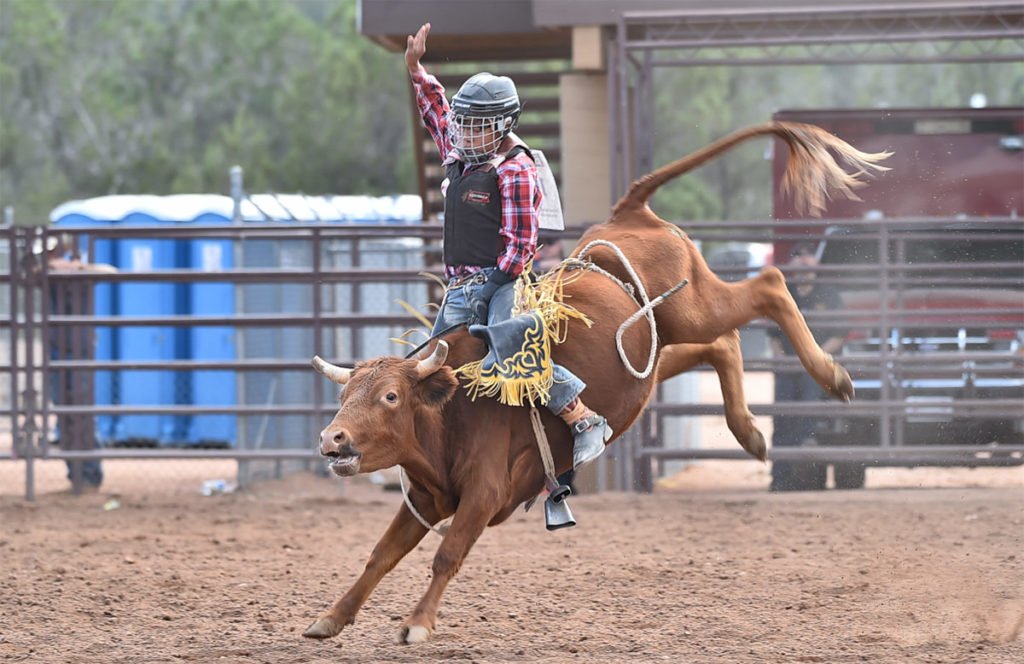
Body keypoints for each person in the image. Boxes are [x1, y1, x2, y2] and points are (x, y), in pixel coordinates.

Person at [405, 23, 610, 471]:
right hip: (460, 284)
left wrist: (489, 286)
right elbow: (438, 114)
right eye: (465, 124)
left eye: (477, 127)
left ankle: (583, 417)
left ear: (502, 127)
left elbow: (521, 246)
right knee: (434, 360)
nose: (465, 133)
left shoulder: (516, 170)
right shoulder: (460, 154)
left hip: (505, 282)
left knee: (511, 348)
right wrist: (417, 69)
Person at [768, 242, 845, 491]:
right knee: (783, 420)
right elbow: (774, 336)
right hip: (789, 368)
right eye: (797, 255)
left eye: (808, 255)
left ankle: (807, 477)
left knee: (808, 418)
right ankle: (780, 479)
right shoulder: (782, 293)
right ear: (790, 265)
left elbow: (839, 334)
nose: (803, 260)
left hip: (814, 368)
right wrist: (784, 361)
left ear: (817, 263)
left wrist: (816, 358)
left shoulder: (830, 294)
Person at [42, 233, 117, 492]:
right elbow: (26, 270)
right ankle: (75, 474)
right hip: (57, 351)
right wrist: (54, 268)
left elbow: (110, 271)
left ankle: (90, 474)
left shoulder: (83, 275)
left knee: (82, 413)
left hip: (81, 351)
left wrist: (78, 268)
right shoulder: (47, 278)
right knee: (64, 413)